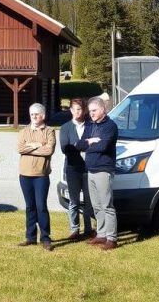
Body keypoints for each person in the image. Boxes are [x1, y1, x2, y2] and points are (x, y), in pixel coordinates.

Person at [75, 95, 118, 250]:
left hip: (104, 170)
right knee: (96, 206)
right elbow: (79, 145)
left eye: (94, 110)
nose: (91, 113)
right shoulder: (90, 125)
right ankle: (101, 234)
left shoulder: (110, 126)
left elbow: (104, 147)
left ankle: (112, 239)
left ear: (102, 109)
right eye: (90, 111)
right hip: (91, 170)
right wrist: (90, 141)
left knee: (107, 205)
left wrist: (89, 144)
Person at [17, 102, 56, 251]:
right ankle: (30, 237)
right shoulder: (24, 131)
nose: (34, 117)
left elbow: (49, 150)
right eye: (32, 114)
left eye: (37, 114)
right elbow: (20, 148)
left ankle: (45, 238)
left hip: (41, 175)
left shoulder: (49, 131)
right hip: (24, 174)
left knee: (41, 206)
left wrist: (30, 148)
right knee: (30, 206)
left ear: (43, 116)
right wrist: (37, 145)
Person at [59, 98, 94, 240]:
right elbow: (65, 148)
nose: (76, 112)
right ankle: (74, 229)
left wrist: (77, 145)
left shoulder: (90, 126)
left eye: (79, 109)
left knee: (88, 200)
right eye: (74, 109)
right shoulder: (65, 127)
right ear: (70, 110)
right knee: (73, 200)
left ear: (83, 110)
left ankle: (88, 229)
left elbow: (95, 145)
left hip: (87, 168)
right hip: (72, 168)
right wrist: (84, 144)